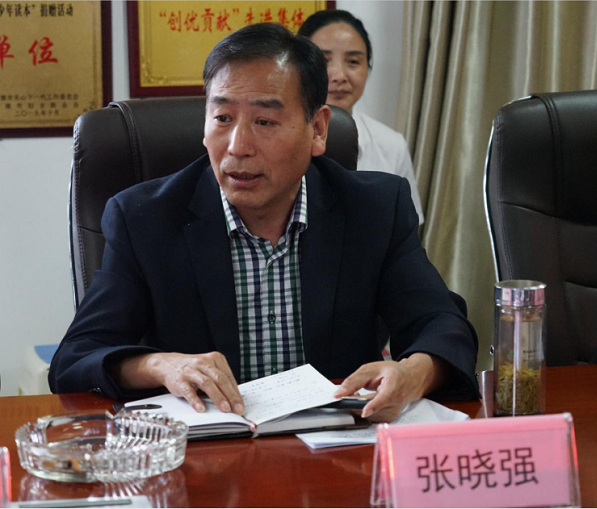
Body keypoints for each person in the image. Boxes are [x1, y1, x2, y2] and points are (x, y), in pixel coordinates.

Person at [49, 23, 478, 423]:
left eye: (264, 121)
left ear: (318, 130)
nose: (238, 146)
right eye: (222, 118)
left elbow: (443, 325)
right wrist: (161, 365)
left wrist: (413, 373)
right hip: (208, 457)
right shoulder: (146, 218)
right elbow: (76, 357)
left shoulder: (374, 209)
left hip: (335, 450)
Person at [298, 10, 424, 225]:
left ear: (368, 68)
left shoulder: (392, 145)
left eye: (353, 62)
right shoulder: (276, 140)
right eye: (323, 61)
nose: (339, 76)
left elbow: (408, 228)